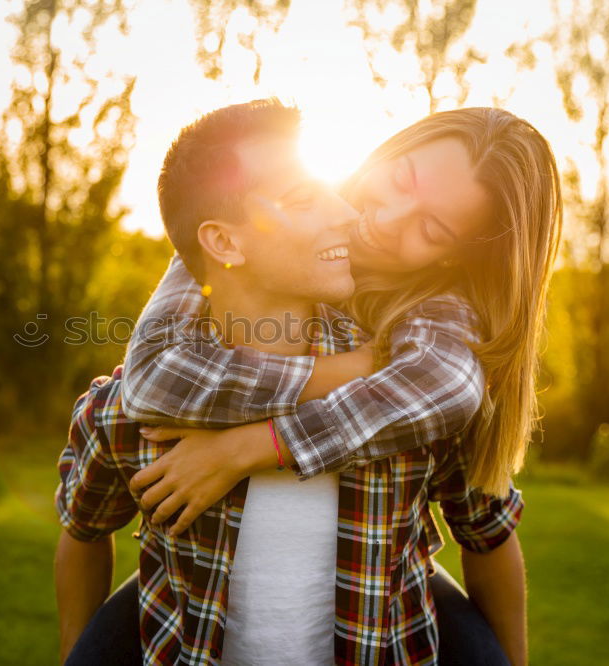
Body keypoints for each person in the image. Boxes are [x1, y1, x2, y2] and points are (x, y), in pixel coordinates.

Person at [56, 100, 561, 665]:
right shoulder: (247, 223)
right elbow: (152, 375)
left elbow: (451, 390)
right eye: (399, 180)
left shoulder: (431, 335)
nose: (381, 219)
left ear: (452, 261)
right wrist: (345, 370)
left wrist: (249, 447)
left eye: (431, 229)